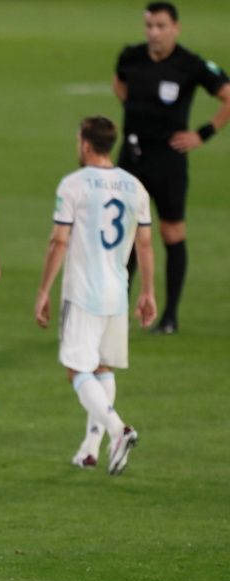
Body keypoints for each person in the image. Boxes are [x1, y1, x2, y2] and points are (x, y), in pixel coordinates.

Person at [35, 116, 156, 475]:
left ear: (86, 144)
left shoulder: (73, 185)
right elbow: (146, 244)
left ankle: (118, 430)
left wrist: (43, 290)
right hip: (117, 291)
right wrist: (147, 291)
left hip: (83, 291)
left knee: (77, 370)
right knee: (102, 367)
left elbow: (59, 240)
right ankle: (89, 449)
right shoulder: (135, 187)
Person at [114, 1, 230, 334]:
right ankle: (118, 309)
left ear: (175, 28)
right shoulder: (130, 56)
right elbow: (118, 84)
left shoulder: (190, 65)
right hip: (132, 156)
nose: (154, 33)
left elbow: (227, 95)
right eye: (149, 25)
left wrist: (202, 134)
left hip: (168, 160)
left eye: (161, 26)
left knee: (171, 232)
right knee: (128, 233)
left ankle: (169, 316)